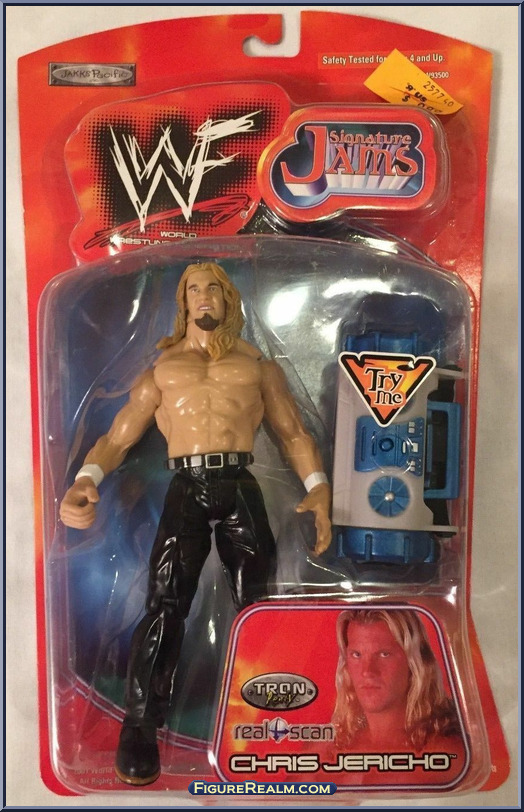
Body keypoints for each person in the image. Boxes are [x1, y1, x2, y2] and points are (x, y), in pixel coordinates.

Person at [59, 261, 332, 786]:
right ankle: (141, 725)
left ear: (228, 299)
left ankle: (275, 715)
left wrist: (318, 486)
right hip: (185, 486)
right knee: (165, 603)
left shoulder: (258, 368)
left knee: (259, 604)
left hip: (238, 484)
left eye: (213, 288)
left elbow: (294, 433)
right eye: (193, 290)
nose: (203, 296)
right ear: (182, 303)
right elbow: (118, 437)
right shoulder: (164, 371)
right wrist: (85, 480)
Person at [331, 607, 464, 753]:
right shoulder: (335, 749)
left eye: (384, 654)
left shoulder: (448, 752)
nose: (367, 671)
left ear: (415, 662)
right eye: (356, 655)